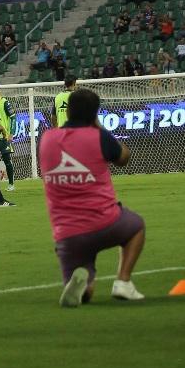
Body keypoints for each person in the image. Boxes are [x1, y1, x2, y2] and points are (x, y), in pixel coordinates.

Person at [40, 85, 146, 305]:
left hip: (66, 234)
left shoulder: (47, 139)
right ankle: (123, 282)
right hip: (105, 223)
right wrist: (98, 127)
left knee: (85, 290)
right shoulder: (98, 137)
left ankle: (83, 288)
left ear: (67, 111)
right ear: (95, 114)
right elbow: (124, 158)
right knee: (137, 226)